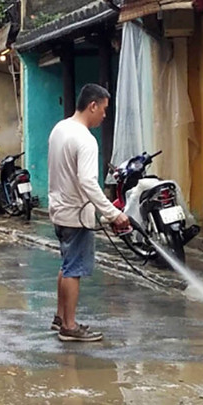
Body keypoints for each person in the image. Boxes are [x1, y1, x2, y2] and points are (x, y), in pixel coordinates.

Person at [47, 83, 130, 342]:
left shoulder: (59, 129)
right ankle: (69, 327)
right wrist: (113, 214)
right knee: (74, 268)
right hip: (76, 214)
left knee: (66, 264)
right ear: (92, 105)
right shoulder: (85, 139)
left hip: (59, 210)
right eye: (103, 110)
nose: (104, 116)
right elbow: (87, 182)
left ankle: (60, 317)